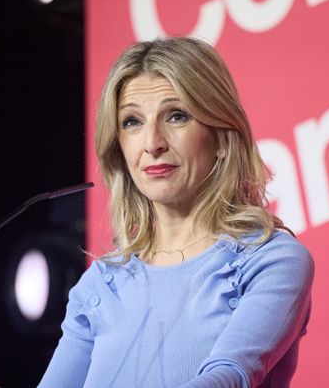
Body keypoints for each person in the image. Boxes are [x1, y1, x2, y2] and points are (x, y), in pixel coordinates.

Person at [38, 36, 314, 387]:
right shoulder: (101, 284)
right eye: (132, 121)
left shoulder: (272, 261)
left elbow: (228, 377)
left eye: (177, 116)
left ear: (221, 138)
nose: (152, 143)